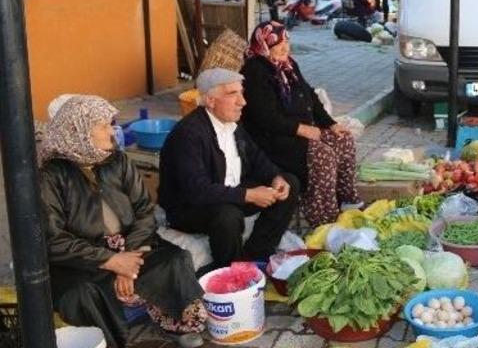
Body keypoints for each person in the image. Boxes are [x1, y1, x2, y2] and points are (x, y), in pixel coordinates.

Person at [40, 96, 205, 348]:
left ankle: (179, 325)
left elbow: (144, 210)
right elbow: (53, 238)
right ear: (80, 132)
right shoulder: (51, 175)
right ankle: (115, 340)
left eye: (111, 124)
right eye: (103, 126)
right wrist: (110, 261)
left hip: (130, 246)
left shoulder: (117, 160)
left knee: (175, 259)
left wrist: (130, 258)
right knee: (82, 295)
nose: (112, 132)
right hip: (82, 260)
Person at [159, 68, 300, 269]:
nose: (242, 101)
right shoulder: (189, 134)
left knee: (289, 184)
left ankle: (255, 255)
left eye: (241, 93)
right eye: (233, 94)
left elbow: (257, 157)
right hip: (190, 208)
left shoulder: (232, 124)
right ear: (210, 101)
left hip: (230, 193)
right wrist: (248, 195)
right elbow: (197, 191)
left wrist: (275, 177)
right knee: (227, 216)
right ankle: (229, 270)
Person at [241, 21, 361, 227]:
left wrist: (330, 124)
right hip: (274, 141)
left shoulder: (288, 66)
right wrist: (301, 129)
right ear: (264, 45)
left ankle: (347, 201)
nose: (285, 48)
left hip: (297, 133)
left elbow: (310, 96)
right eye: (278, 45)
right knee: (323, 155)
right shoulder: (255, 71)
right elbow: (266, 117)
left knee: (343, 139)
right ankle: (323, 219)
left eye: (286, 42)